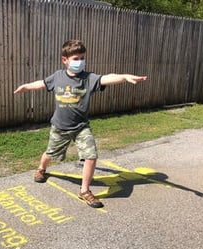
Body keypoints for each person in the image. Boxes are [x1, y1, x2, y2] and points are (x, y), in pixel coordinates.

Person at [14, 39, 147, 208]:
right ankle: (41, 168)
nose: (80, 62)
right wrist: (26, 86)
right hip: (60, 127)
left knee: (91, 156)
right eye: (76, 58)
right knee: (51, 152)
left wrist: (125, 77)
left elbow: (107, 78)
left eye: (82, 58)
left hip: (81, 127)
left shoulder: (88, 78)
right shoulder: (58, 76)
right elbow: (41, 84)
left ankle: (84, 190)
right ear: (65, 60)